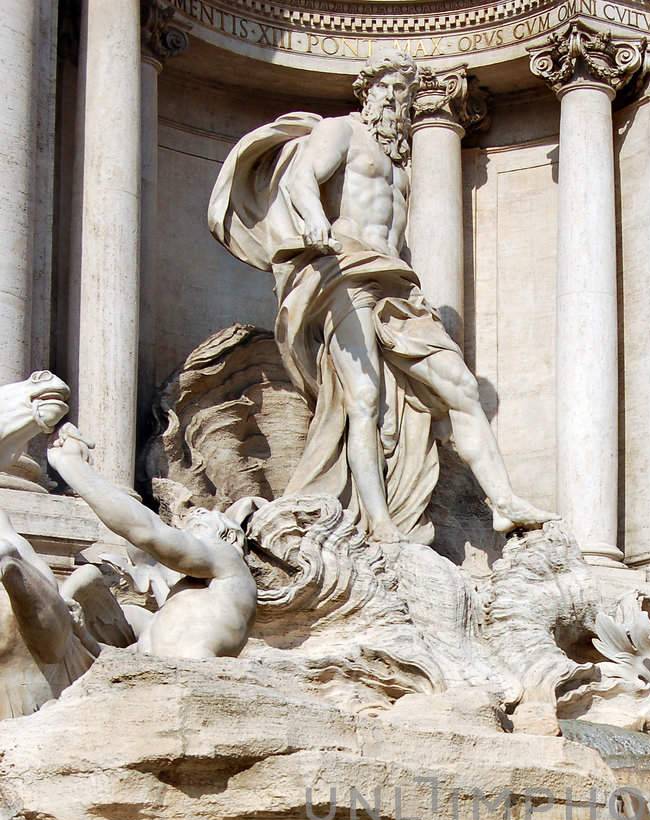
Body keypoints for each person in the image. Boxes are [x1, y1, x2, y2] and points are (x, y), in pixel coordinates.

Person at [208, 54, 552, 543]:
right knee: (364, 400)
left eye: (406, 94)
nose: (398, 101)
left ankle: (503, 501)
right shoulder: (341, 131)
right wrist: (314, 220)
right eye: (390, 89)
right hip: (347, 268)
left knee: (462, 389)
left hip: (396, 282)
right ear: (369, 92)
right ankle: (380, 523)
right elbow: (300, 178)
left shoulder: (399, 160)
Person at [46, 425, 257, 660]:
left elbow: (148, 531)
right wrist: (81, 631)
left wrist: (72, 466)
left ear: (229, 536)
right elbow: (125, 662)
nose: (183, 529)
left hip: (192, 682)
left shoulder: (228, 561)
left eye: (198, 523)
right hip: (154, 684)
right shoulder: (178, 604)